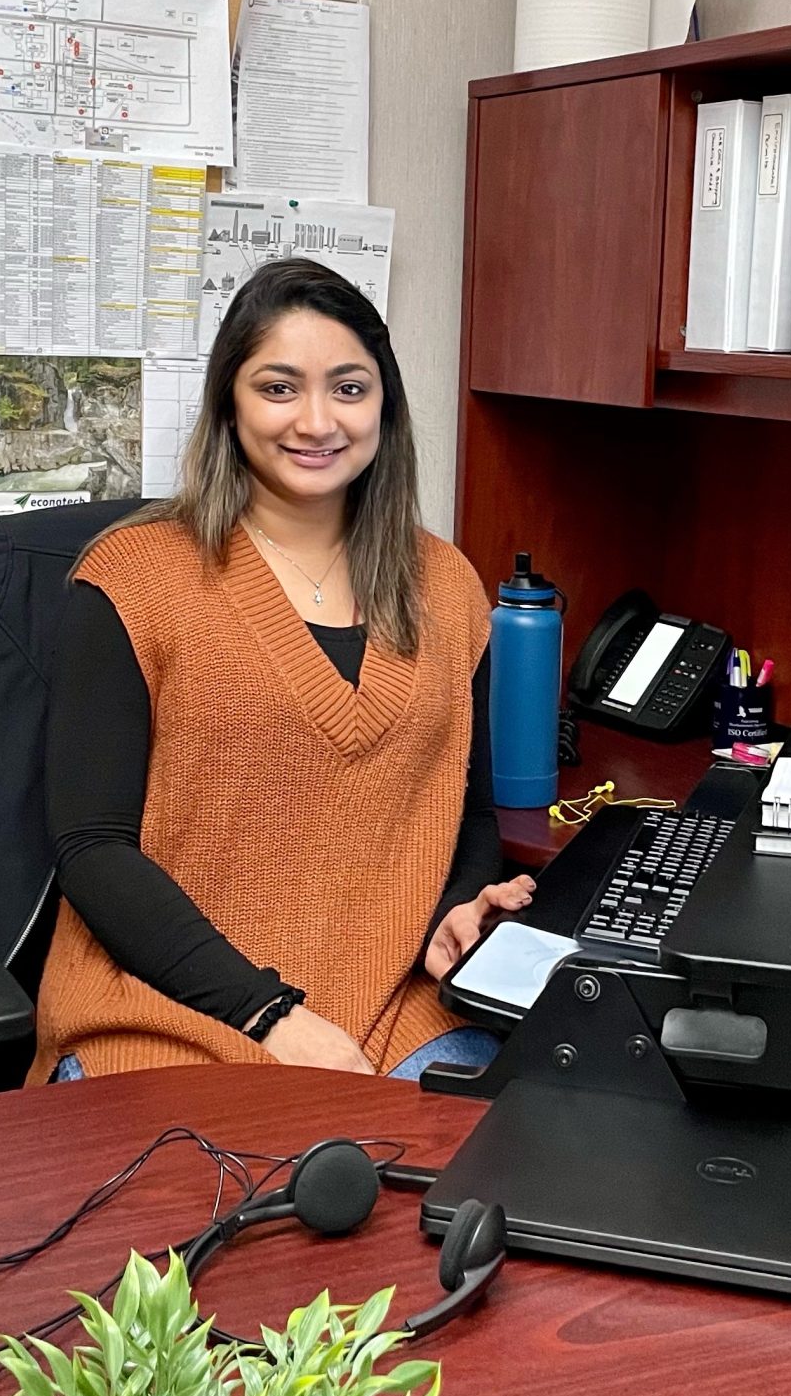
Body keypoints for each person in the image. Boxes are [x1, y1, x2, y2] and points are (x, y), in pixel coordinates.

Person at [32, 257, 533, 1081]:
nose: (316, 421)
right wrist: (271, 1017)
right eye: (278, 388)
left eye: (347, 388)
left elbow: (468, 819)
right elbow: (92, 850)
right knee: (224, 1205)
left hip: (389, 1016)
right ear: (230, 403)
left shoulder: (447, 586)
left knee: (495, 1181)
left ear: (384, 405)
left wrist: (456, 913)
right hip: (169, 1015)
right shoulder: (133, 579)